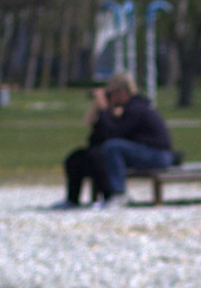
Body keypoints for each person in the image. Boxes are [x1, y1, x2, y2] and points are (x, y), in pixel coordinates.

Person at [53, 72, 174, 209]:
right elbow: (91, 124)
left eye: (112, 93)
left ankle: (119, 194)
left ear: (122, 91)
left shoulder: (136, 107)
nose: (110, 97)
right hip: (143, 152)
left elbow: (114, 132)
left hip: (157, 155)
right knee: (77, 157)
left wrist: (104, 109)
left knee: (112, 148)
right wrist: (97, 106)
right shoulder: (123, 108)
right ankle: (72, 200)